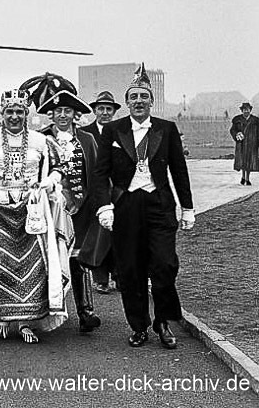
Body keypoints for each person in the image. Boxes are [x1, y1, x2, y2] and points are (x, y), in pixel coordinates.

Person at [93, 63, 195, 349]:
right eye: (133, 97)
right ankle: (139, 326)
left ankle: (163, 321)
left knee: (164, 264)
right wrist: (105, 206)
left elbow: (179, 170)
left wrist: (187, 207)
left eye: (144, 96)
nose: (139, 101)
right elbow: (101, 173)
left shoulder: (166, 129)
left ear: (151, 101)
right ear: (127, 103)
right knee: (130, 269)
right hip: (126, 206)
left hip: (159, 204)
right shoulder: (113, 130)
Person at [0, 88, 71, 344]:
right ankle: (2, 318)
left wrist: (49, 183)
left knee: (32, 266)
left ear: (26, 113)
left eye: (19, 112)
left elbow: (58, 167)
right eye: (9, 111)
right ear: (2, 113)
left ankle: (26, 321)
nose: (14, 117)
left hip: (31, 210)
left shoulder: (40, 141)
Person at [37, 88, 104, 334]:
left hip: (81, 209)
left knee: (79, 259)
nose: (63, 115)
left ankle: (86, 312)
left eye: (67, 111)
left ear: (75, 114)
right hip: (50, 210)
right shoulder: (40, 138)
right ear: (51, 115)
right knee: (49, 260)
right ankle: (45, 312)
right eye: (58, 111)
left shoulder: (87, 139)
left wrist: (101, 203)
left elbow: (96, 173)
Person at [80, 91, 120, 294]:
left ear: (114, 112)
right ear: (95, 111)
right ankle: (101, 279)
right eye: (101, 109)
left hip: (119, 192)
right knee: (99, 236)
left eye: (108, 109)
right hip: (95, 193)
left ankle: (120, 276)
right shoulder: (85, 134)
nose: (105, 113)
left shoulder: (123, 132)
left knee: (120, 235)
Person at [230, 102, 259, 186]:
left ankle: (247, 179)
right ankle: (243, 177)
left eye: (248, 109)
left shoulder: (255, 121)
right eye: (244, 110)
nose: (246, 111)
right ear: (242, 110)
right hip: (241, 144)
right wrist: (237, 134)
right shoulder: (237, 120)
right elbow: (232, 130)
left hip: (251, 144)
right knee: (242, 162)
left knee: (250, 162)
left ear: (250, 110)